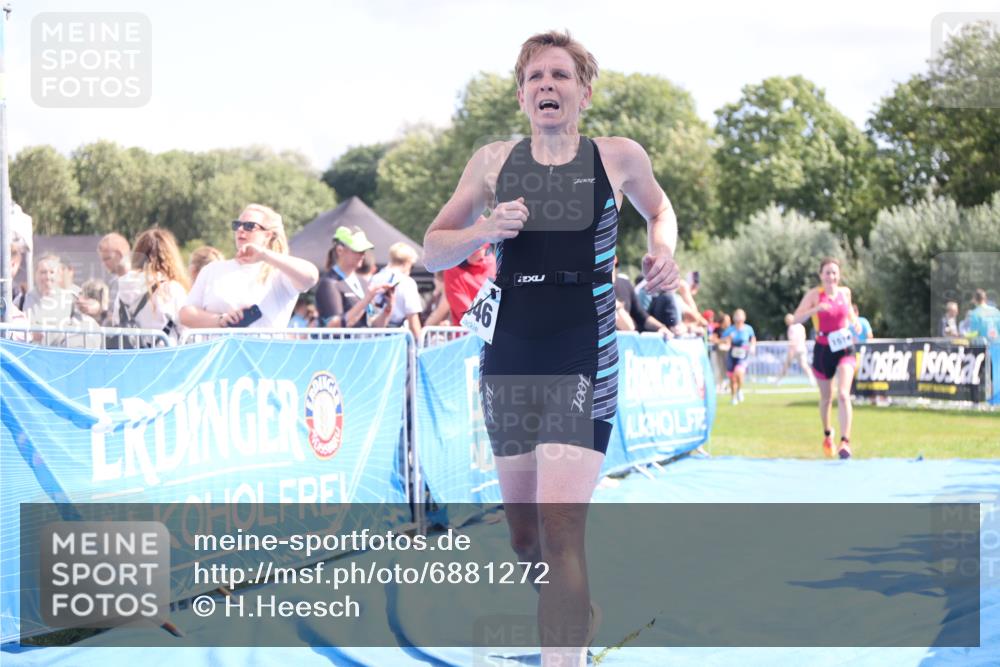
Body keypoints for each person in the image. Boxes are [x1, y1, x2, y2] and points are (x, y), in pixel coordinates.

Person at [422, 31, 679, 665]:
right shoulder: (491, 161)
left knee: (563, 526)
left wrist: (663, 251)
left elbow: (660, 208)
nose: (547, 86)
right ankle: (572, 614)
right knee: (525, 535)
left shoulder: (618, 157)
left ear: (584, 92)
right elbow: (433, 247)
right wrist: (485, 228)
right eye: (535, 77)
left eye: (560, 76)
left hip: (581, 342)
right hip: (509, 343)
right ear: (520, 95)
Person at [180, 204, 318, 329]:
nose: (240, 229)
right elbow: (185, 314)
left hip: (261, 354)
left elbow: (311, 276)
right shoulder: (212, 269)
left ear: (268, 235)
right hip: (220, 355)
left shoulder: (278, 272)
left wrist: (264, 255)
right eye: (237, 225)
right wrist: (220, 320)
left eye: (249, 226)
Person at [793, 257, 857, 459]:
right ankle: (828, 434)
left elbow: (850, 316)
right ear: (821, 275)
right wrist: (815, 309)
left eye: (834, 272)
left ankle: (845, 442)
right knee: (826, 398)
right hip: (823, 348)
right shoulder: (814, 295)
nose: (831, 276)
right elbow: (796, 319)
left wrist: (856, 324)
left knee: (844, 394)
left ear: (839, 275)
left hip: (844, 346)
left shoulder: (845, 293)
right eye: (827, 272)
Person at [110, 228, 190, 345]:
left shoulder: (123, 288)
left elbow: (116, 321)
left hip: (131, 358)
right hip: (166, 357)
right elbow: (186, 331)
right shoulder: (172, 289)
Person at [315, 226, 395, 328]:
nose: (363, 255)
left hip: (363, 343)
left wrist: (388, 308)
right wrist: (365, 300)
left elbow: (373, 325)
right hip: (341, 344)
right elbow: (333, 326)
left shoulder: (363, 282)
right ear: (340, 250)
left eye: (364, 251)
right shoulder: (329, 284)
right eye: (358, 250)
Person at [369, 242, 424, 340]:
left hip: (374, 335)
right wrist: (420, 344)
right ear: (407, 262)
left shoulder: (374, 279)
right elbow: (413, 319)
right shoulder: (408, 283)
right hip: (397, 337)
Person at [443, 243, 496, 326]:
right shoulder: (452, 270)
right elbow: (468, 315)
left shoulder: (493, 262)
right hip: (468, 334)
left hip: (495, 330)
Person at [720, 308, 756, 405]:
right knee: (732, 378)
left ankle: (739, 389)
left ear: (744, 317)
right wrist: (728, 339)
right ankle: (733, 397)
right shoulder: (730, 330)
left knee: (739, 373)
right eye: (737, 316)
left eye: (741, 316)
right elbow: (722, 340)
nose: (739, 318)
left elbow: (752, 338)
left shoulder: (748, 328)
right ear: (734, 317)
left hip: (743, 354)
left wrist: (752, 346)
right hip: (732, 354)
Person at [774, 313, 817, 387]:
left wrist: (791, 351)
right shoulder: (801, 326)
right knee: (804, 365)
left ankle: (778, 380)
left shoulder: (792, 328)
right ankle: (812, 379)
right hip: (802, 348)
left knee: (786, 365)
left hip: (794, 349)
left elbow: (793, 341)